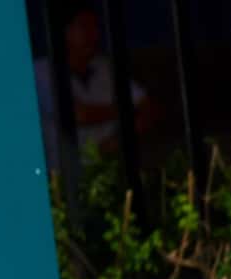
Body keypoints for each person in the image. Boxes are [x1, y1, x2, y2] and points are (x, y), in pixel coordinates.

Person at [33, 5, 156, 172]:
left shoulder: (104, 68)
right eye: (84, 26)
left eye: (95, 27)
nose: (93, 34)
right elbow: (77, 115)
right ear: (63, 32)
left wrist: (117, 140)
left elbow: (147, 107)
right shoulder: (41, 72)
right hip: (63, 175)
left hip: (109, 170)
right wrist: (128, 111)